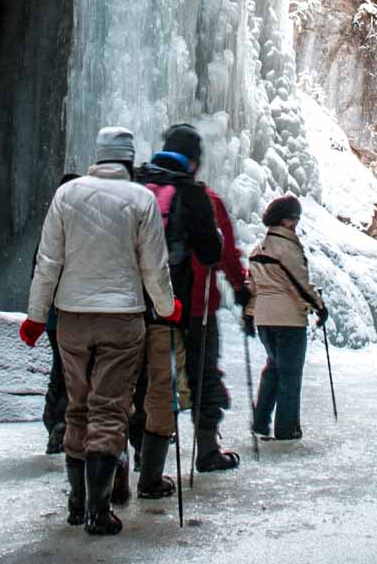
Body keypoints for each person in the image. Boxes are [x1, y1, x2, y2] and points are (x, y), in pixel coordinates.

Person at [20, 127, 181, 537]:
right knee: (109, 409)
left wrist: (36, 316)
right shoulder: (141, 198)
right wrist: (166, 307)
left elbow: (48, 262)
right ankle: (98, 509)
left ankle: (75, 503)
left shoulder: (66, 195)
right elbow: (153, 267)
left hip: (71, 317)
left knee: (78, 406)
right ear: (128, 160)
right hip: (122, 318)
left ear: (98, 157)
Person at [142, 123, 248, 472]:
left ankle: (143, 451)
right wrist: (242, 290)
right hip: (198, 306)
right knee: (203, 375)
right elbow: (225, 254)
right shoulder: (204, 198)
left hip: (148, 305)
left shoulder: (139, 189)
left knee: (148, 377)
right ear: (194, 161)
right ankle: (206, 448)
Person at [243, 194, 326, 441]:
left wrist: (249, 314)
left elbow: (252, 287)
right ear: (287, 220)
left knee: (273, 369)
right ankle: (286, 428)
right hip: (288, 319)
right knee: (290, 374)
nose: (297, 222)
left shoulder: (258, 249)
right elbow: (298, 284)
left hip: (264, 319)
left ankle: (260, 422)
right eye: (295, 217)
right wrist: (319, 307)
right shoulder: (288, 248)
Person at [38, 173, 82, 457]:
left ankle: (52, 418)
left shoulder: (52, 225)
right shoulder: (78, 227)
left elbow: (40, 268)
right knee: (72, 371)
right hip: (72, 311)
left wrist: (38, 312)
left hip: (54, 314)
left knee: (60, 368)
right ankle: (62, 423)